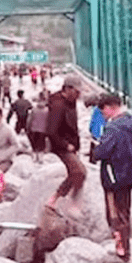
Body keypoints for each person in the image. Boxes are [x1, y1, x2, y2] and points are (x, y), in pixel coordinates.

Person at [93, 95, 132, 261]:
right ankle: (125, 248)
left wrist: (94, 151)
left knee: (114, 215)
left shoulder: (113, 128)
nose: (103, 115)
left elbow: (102, 152)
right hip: (129, 173)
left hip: (113, 176)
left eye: (102, 111)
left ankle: (122, 250)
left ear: (108, 107)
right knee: (125, 212)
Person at [45, 76, 86, 211]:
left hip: (71, 144)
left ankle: (68, 201)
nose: (78, 95)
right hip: (61, 147)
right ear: (67, 89)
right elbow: (51, 131)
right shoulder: (58, 105)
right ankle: (56, 199)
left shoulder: (70, 101)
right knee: (80, 172)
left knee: (75, 173)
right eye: (76, 92)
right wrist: (65, 145)